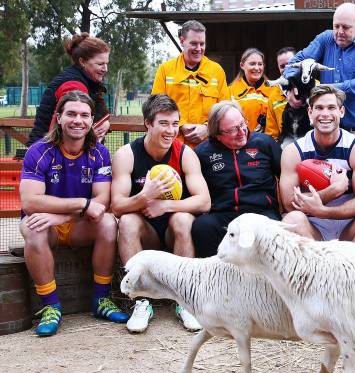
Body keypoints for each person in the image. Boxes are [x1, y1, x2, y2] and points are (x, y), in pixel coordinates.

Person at [20, 91, 127, 336]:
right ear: (58, 117)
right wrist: (81, 203)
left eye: (84, 115)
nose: (78, 120)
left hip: (78, 225)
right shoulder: (38, 151)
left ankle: (101, 299)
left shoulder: (99, 153)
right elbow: (29, 202)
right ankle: (50, 306)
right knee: (31, 229)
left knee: (109, 224)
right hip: (48, 227)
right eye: (71, 114)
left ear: (91, 121)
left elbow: (101, 203)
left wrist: (63, 215)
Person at [111, 94, 211, 333]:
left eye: (175, 124)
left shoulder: (185, 153)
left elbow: (204, 201)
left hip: (172, 233)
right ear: (148, 123)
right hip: (146, 233)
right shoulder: (127, 155)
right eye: (164, 124)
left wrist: (165, 206)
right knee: (126, 222)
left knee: (183, 219)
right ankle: (140, 301)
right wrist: (146, 196)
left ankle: (184, 301)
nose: (171, 130)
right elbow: (116, 205)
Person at [280, 85, 355, 242]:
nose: (325, 114)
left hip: (348, 225)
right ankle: (314, 266)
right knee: (292, 220)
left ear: (341, 112)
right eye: (319, 108)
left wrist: (323, 210)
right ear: (310, 112)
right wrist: (332, 191)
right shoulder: (294, 151)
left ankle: (350, 265)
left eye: (331, 108)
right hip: (312, 225)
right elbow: (289, 203)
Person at [284, 3, 355, 152]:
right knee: (323, 174)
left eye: (345, 27)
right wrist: (291, 87)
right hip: (327, 129)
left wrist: (325, 90)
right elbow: (295, 63)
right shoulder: (326, 38)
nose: (339, 32)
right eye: (336, 26)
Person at [191, 101, 282, 258]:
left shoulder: (265, 143)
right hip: (223, 213)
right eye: (233, 130)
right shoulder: (201, 153)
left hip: (260, 211)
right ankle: (213, 277)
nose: (241, 132)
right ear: (217, 134)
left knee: (273, 228)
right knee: (202, 227)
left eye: (242, 124)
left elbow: (286, 176)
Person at [152, 20, 230, 148]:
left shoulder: (217, 71)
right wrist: (180, 125)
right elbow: (155, 106)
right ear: (182, 41)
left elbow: (225, 109)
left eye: (202, 44)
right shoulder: (166, 70)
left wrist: (207, 128)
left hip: (209, 146)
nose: (199, 49)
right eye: (194, 43)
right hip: (173, 145)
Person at [28, 34, 111, 146]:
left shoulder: (83, 81)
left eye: (106, 64)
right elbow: (64, 130)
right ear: (82, 62)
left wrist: (105, 123)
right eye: (100, 64)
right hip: (51, 154)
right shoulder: (74, 86)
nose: (105, 69)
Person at [229, 48, 283, 133]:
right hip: (240, 141)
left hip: (267, 142)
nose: (257, 68)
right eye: (252, 64)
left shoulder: (274, 90)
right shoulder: (230, 91)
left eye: (260, 64)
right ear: (242, 65)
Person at [265, 47, 310, 148]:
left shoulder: (315, 86)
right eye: (282, 66)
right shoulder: (273, 96)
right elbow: (272, 134)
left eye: (290, 64)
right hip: (286, 149)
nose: (287, 68)